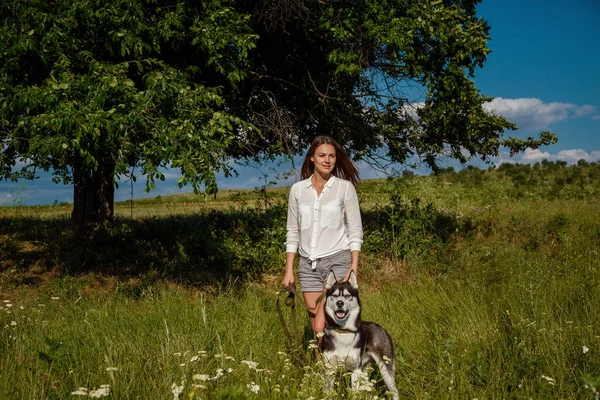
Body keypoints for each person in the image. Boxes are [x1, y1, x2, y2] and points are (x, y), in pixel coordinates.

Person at [282, 135, 363, 336]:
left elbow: (355, 230)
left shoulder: (344, 188)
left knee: (325, 323)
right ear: (311, 158)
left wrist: (354, 265)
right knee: (316, 328)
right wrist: (289, 269)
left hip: (338, 262)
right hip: (308, 265)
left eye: (332, 156)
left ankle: (343, 362)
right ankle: (324, 366)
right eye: (322, 155)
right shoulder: (298, 190)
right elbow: (293, 231)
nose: (327, 160)